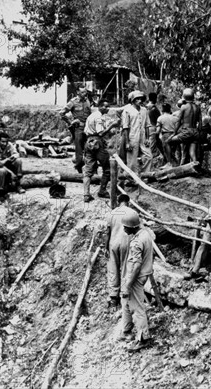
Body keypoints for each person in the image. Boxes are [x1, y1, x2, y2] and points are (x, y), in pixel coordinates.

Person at [120, 209, 154, 352]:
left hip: (135, 278)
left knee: (137, 307)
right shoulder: (145, 233)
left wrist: (128, 285)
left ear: (132, 227)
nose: (123, 228)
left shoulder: (137, 242)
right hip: (141, 274)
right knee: (126, 303)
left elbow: (136, 266)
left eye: (125, 226)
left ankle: (143, 338)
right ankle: (127, 329)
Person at [83, 100, 119, 202]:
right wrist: (112, 126)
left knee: (88, 170)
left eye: (108, 107)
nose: (107, 109)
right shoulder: (99, 117)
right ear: (100, 107)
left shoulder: (91, 116)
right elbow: (100, 133)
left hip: (88, 141)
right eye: (105, 106)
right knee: (107, 168)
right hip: (97, 142)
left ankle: (86, 194)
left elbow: (86, 131)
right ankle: (102, 191)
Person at [106, 194, 133, 307]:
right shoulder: (131, 212)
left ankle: (113, 296)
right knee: (126, 268)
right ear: (128, 202)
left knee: (113, 269)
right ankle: (124, 294)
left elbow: (108, 231)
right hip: (126, 242)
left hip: (113, 242)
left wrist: (105, 246)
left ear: (118, 202)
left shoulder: (112, 213)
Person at [59, 88, 92, 173]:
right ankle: (79, 167)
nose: (84, 94)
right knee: (79, 149)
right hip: (78, 128)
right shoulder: (73, 102)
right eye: (82, 92)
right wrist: (70, 122)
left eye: (85, 92)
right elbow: (61, 113)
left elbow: (90, 113)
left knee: (89, 147)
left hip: (88, 128)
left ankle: (89, 167)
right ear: (78, 92)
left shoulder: (87, 101)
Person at [121, 90, 153, 178]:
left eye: (141, 99)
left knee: (149, 156)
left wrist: (147, 138)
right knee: (132, 159)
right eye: (137, 99)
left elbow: (147, 125)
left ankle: (145, 175)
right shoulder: (127, 111)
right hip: (132, 135)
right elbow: (125, 127)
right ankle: (131, 178)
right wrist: (127, 142)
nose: (140, 101)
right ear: (133, 100)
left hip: (142, 135)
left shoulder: (144, 110)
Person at [0, 132, 25, 201]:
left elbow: (16, 154)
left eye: (6, 141)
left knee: (18, 161)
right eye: (2, 142)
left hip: (6, 165)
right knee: (2, 171)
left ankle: (17, 185)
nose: (4, 144)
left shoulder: (9, 145)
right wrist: (11, 172)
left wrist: (13, 156)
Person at [169, 88, 201, 165]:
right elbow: (200, 122)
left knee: (168, 142)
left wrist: (174, 133)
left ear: (184, 97)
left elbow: (178, 121)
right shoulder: (198, 107)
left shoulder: (184, 107)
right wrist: (198, 132)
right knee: (192, 152)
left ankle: (173, 164)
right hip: (195, 132)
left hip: (186, 131)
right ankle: (195, 167)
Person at [146, 93, 162, 160]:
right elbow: (159, 118)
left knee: (155, 143)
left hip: (147, 127)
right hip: (154, 127)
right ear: (155, 98)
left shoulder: (145, 107)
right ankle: (151, 159)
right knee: (153, 144)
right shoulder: (154, 108)